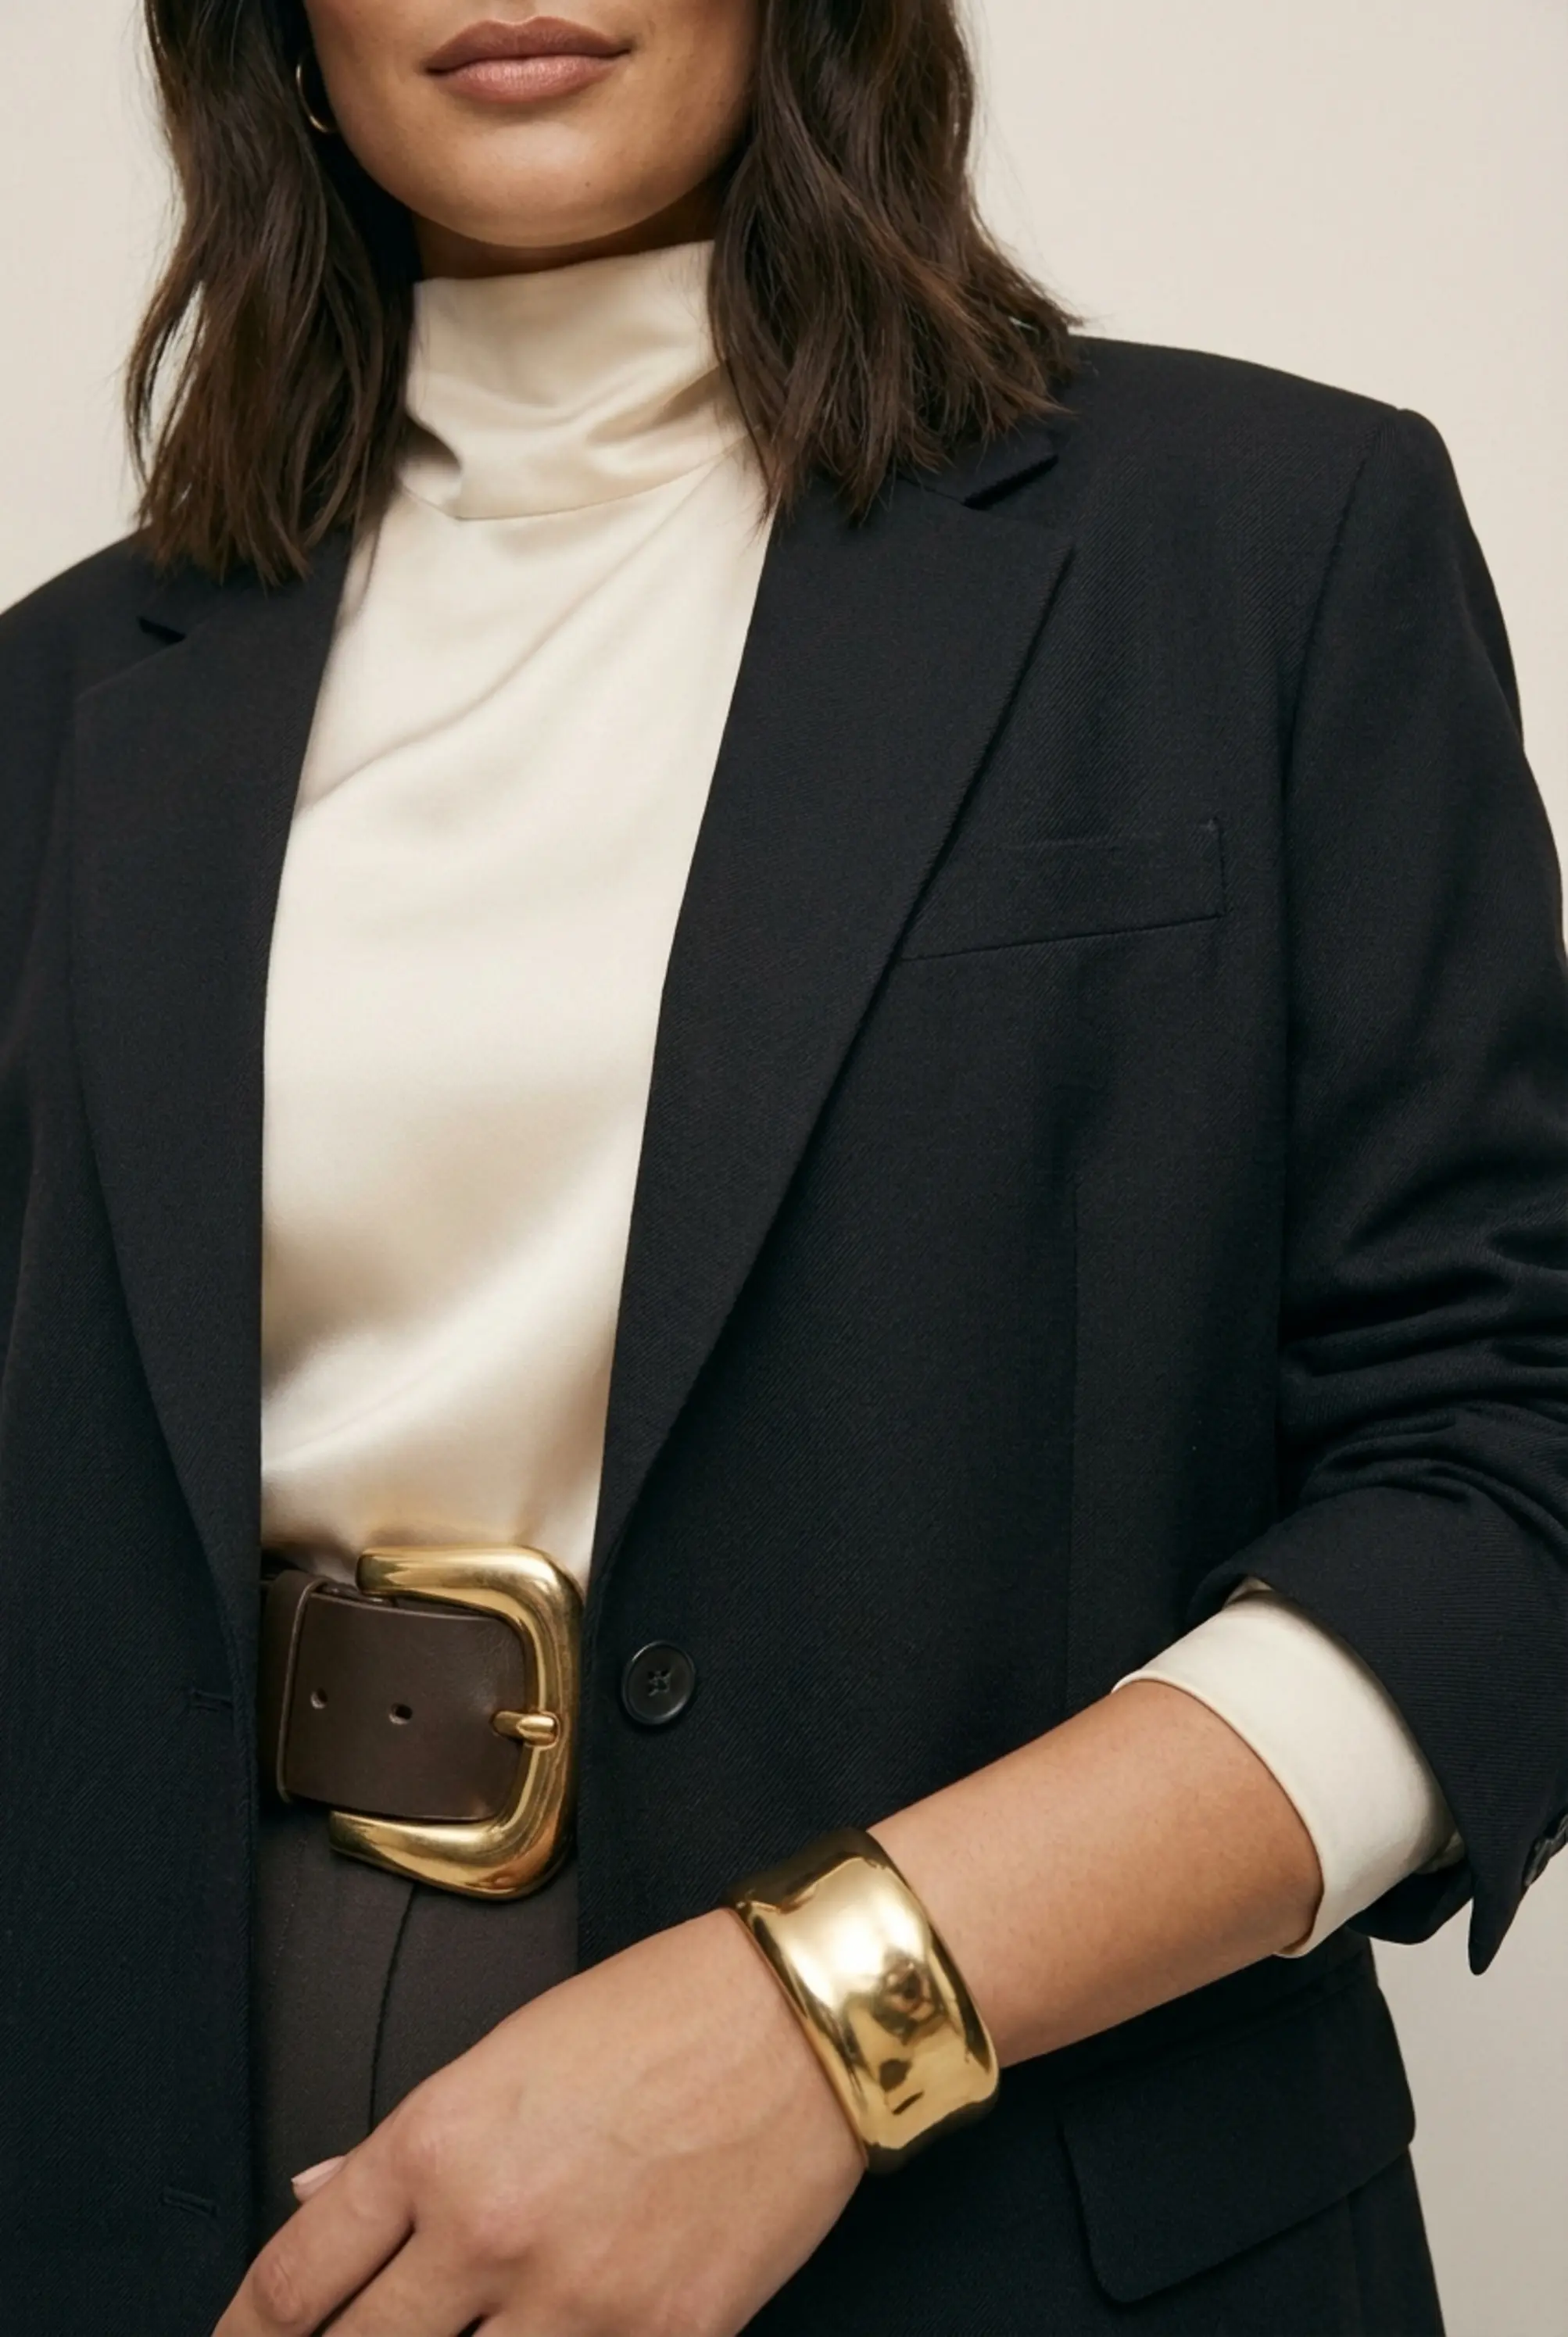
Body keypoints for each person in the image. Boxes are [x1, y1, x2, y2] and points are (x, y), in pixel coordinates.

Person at [2, 0, 1565, 2330]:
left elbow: (1506, 1463)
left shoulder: (1259, 542)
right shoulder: (58, 706)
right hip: (158, 2175)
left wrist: (836, 2012)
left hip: (1024, 2198)